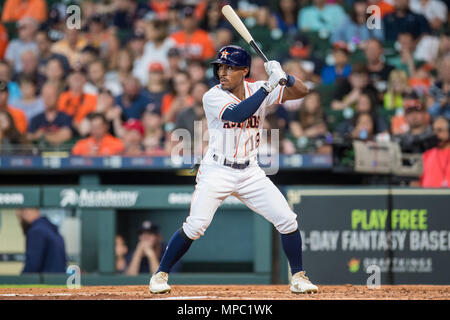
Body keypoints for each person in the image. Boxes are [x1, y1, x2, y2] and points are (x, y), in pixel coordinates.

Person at [149, 45, 317, 294]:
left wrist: (286, 76)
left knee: (287, 220)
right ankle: (160, 275)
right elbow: (239, 114)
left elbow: (302, 91)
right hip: (217, 169)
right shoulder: (213, 96)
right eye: (220, 67)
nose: (222, 72)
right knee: (195, 226)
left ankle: (299, 277)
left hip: (250, 172)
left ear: (244, 71)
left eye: (230, 68)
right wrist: (270, 85)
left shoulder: (257, 88)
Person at [16, 208, 67, 273]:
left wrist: (19, 281)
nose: (19, 222)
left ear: (27, 212)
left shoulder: (36, 232)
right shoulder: (52, 230)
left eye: (19, 217)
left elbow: (31, 267)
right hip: (57, 282)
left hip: (45, 282)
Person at [27, 82, 73, 147]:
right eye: (45, 95)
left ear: (58, 97)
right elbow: (29, 137)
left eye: (51, 95)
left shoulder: (65, 117)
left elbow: (66, 135)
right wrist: (56, 135)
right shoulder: (35, 119)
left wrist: (43, 135)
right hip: (38, 155)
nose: (48, 98)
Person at [421, 117, 450, 187]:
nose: (435, 134)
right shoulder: (426, 155)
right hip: (429, 196)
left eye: (439, 130)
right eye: (433, 130)